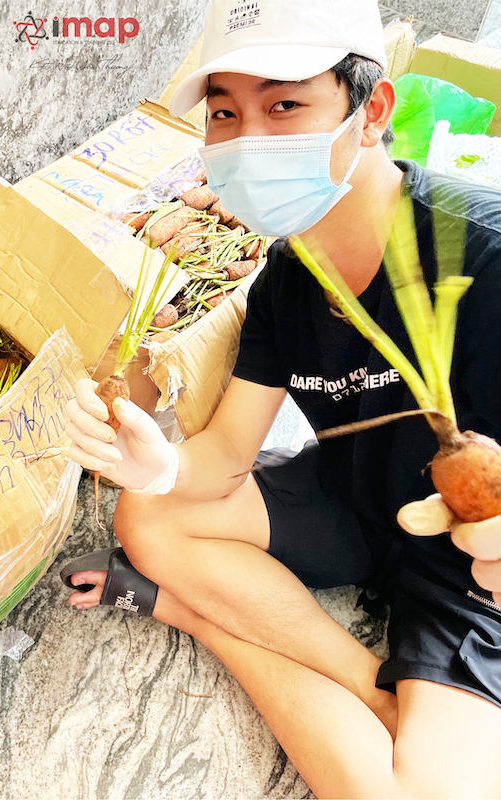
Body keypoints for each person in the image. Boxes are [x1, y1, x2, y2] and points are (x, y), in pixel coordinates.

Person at [61, 0, 501, 797]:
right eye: (225, 113)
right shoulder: (286, 282)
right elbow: (230, 453)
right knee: (149, 517)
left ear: (373, 110)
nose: (249, 140)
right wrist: (160, 467)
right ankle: (373, 686)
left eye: (285, 105)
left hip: (469, 561)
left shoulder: (484, 253)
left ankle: (193, 616)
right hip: (355, 502)